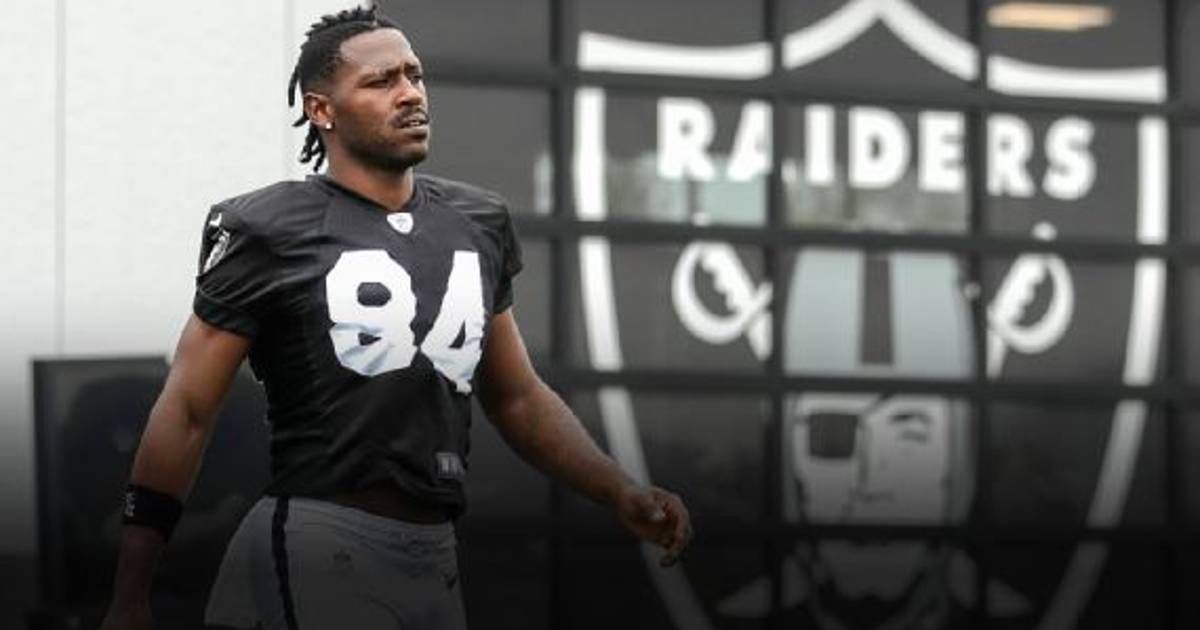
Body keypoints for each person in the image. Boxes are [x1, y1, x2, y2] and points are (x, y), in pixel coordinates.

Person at [100, 6, 692, 629]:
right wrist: (131, 592)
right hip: (319, 542)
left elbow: (517, 396)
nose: (410, 93)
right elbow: (187, 409)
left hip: (435, 555)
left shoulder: (477, 221)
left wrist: (618, 488)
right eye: (381, 81)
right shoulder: (267, 227)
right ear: (322, 110)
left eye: (414, 74)